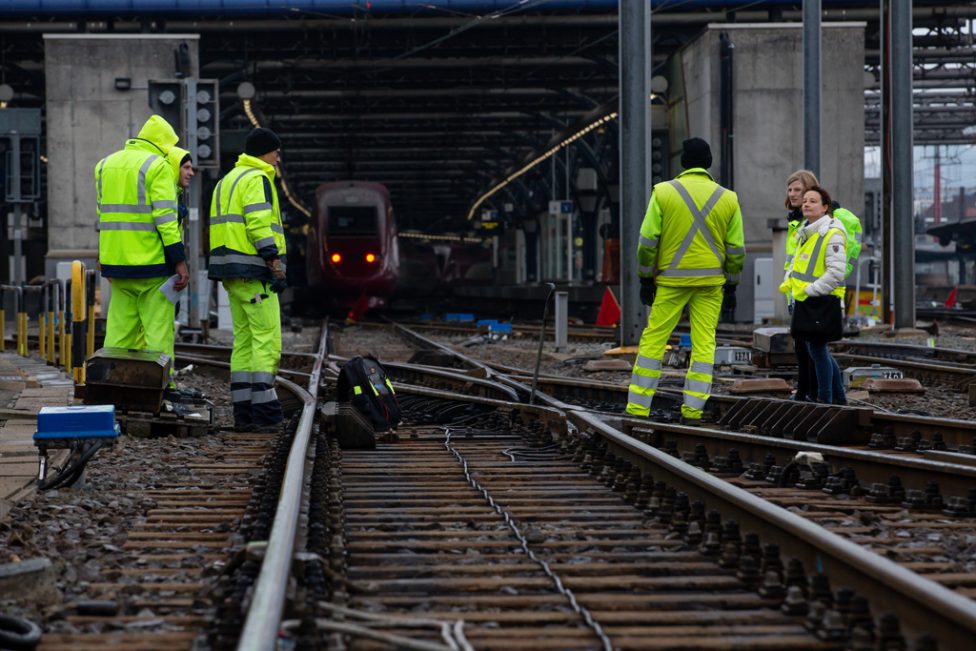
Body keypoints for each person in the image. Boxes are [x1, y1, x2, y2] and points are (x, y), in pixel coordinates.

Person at [626, 137, 746, 424]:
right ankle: (692, 411)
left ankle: (638, 409)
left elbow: (646, 241)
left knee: (654, 341)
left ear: (682, 163)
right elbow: (737, 250)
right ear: (709, 163)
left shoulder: (664, 192)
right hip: (710, 284)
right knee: (705, 344)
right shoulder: (728, 198)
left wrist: (645, 278)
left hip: (670, 282)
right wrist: (732, 284)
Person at [95, 115, 188, 393]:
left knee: (119, 332)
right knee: (158, 332)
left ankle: (110, 387)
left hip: (116, 265)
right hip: (152, 265)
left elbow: (103, 216)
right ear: (163, 143)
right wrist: (179, 260)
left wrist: (104, 255)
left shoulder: (104, 165)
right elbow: (165, 219)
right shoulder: (156, 165)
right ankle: (159, 390)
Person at [209, 127, 288, 432]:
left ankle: (243, 412)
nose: (278, 159)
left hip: (231, 274)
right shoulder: (257, 179)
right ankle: (266, 413)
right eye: (276, 152)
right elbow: (257, 223)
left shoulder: (227, 180)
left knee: (243, 341)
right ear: (264, 153)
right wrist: (273, 261)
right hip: (255, 272)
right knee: (266, 339)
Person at [781, 186, 847, 405]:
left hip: (821, 300)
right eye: (805, 201)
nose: (806, 204)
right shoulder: (806, 231)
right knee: (817, 349)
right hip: (807, 300)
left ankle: (825, 400)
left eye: (813, 201)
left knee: (817, 349)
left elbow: (836, 272)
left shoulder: (831, 233)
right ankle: (838, 398)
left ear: (825, 207)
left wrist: (810, 290)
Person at [783, 169, 821, 402]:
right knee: (801, 347)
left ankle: (817, 392)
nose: (793, 194)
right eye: (790, 189)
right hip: (795, 292)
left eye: (798, 189)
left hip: (810, 292)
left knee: (812, 348)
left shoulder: (813, 223)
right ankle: (807, 390)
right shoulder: (796, 221)